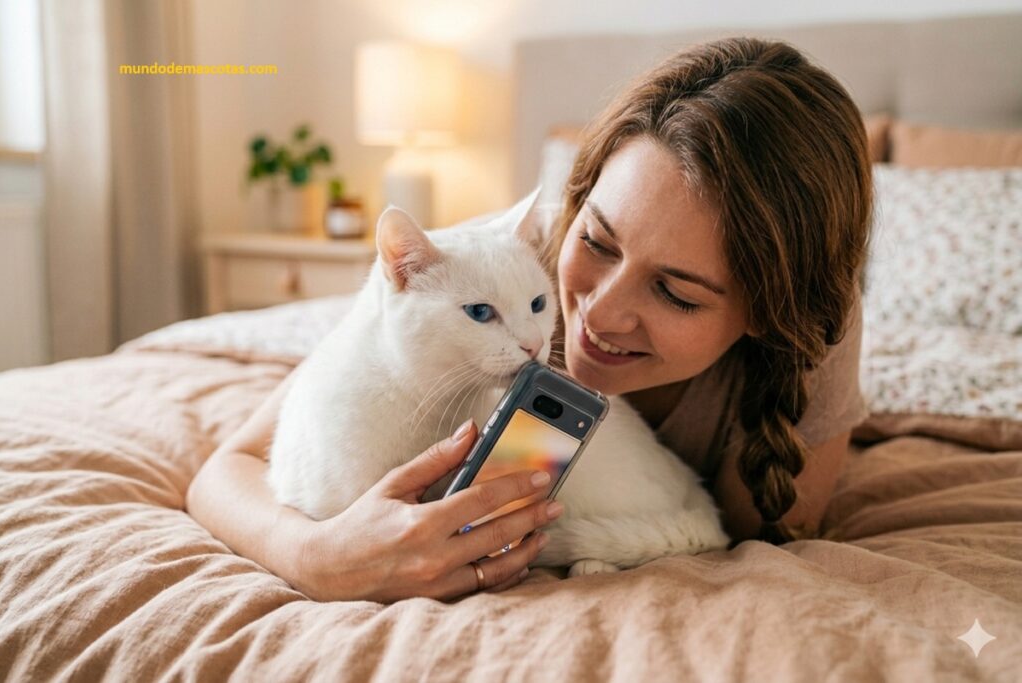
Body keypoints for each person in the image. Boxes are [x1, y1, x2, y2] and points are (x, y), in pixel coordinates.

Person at [185, 36, 872, 603]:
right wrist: (315, 554)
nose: (596, 314)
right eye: (598, 242)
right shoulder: (509, 260)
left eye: (676, 292)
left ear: (768, 312)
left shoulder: (809, 336)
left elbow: (752, 538)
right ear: (579, 199)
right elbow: (228, 469)